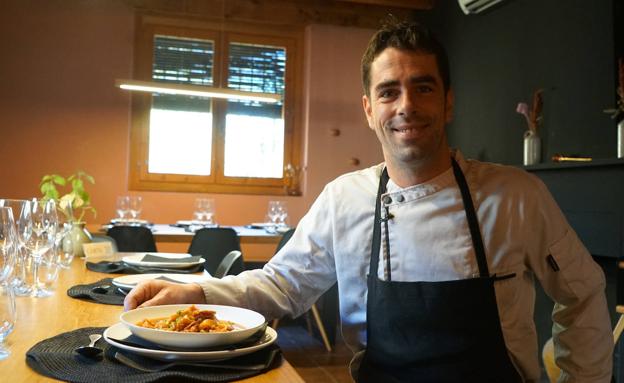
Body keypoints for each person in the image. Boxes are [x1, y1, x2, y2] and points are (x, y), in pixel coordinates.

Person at [125, 19, 613, 382]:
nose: (406, 106)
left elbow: (583, 291)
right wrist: (200, 293)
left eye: (423, 87)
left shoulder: (515, 196)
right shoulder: (345, 199)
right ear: (368, 109)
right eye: (389, 92)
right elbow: (282, 285)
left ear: (448, 102)